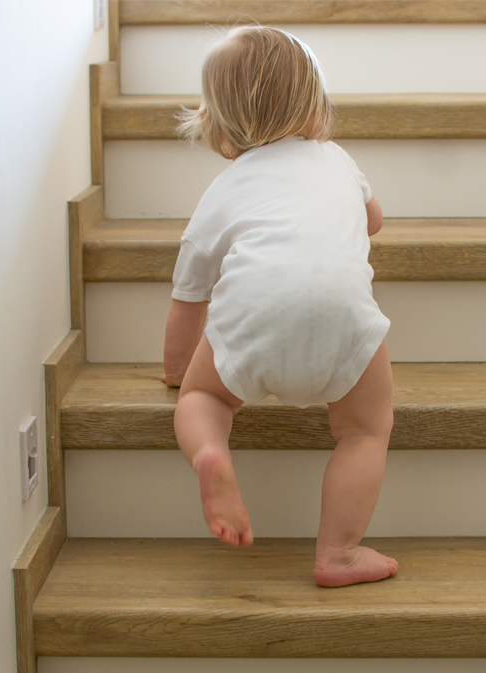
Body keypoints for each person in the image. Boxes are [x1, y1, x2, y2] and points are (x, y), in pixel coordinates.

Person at [162, 25, 397, 587]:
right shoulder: (336, 158)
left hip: (253, 313)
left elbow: (188, 294)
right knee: (366, 430)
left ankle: (211, 453)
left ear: (217, 126)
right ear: (316, 106)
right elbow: (375, 220)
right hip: (346, 318)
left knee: (203, 396)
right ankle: (337, 553)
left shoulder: (226, 187)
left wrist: (178, 373)